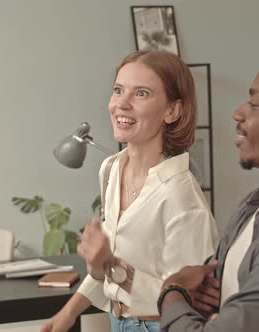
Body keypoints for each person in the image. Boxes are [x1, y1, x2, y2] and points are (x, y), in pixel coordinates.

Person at [42, 50, 218, 332]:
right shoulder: (111, 169)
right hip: (117, 321)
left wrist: (108, 263)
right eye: (118, 90)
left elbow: (184, 301)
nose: (121, 104)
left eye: (141, 93)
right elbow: (110, 268)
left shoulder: (181, 197)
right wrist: (67, 314)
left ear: (172, 111)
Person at [158, 72, 259, 331]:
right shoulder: (249, 207)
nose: (238, 113)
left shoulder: (183, 192)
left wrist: (172, 290)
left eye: (256, 104)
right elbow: (217, 289)